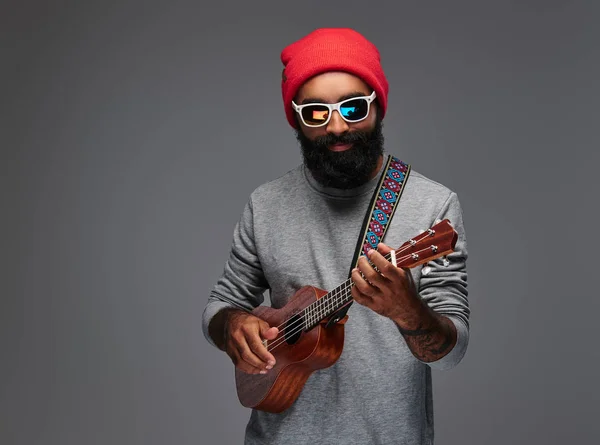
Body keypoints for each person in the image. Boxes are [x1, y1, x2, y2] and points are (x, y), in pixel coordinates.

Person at [202, 28, 470, 445]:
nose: (337, 126)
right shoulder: (265, 204)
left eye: (352, 107)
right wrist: (233, 323)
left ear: (378, 107)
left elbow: (452, 352)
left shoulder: (431, 205)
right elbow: (221, 304)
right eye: (316, 112)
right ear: (296, 119)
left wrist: (408, 312)